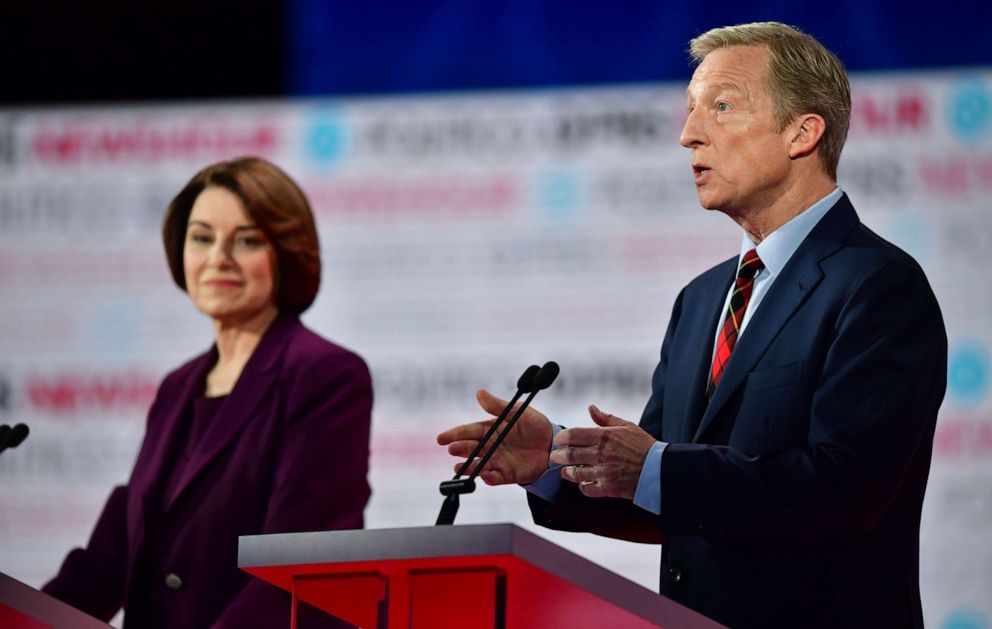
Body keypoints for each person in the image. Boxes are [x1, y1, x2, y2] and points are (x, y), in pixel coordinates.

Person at [438, 22, 946, 629]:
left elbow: (844, 489)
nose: (687, 135)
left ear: (802, 133)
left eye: (722, 107)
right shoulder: (702, 300)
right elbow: (664, 494)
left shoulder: (876, 285)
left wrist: (654, 468)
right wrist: (553, 463)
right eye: (689, 111)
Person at [43, 157, 372, 628]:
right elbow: (116, 550)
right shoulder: (179, 387)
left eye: (247, 240)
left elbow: (299, 563)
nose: (219, 257)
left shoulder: (325, 375)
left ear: (287, 252)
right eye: (202, 237)